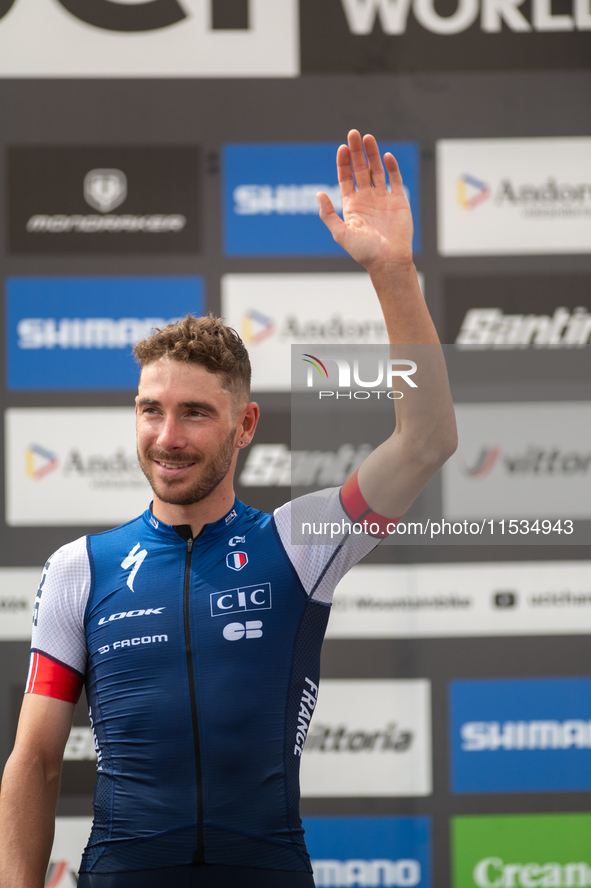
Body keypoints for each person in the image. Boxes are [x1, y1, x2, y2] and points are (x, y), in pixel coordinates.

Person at [0, 131, 457, 888]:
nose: (167, 437)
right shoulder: (81, 568)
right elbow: (36, 757)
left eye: (194, 414)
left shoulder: (299, 541)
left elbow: (427, 441)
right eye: (151, 411)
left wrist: (393, 272)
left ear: (244, 426)